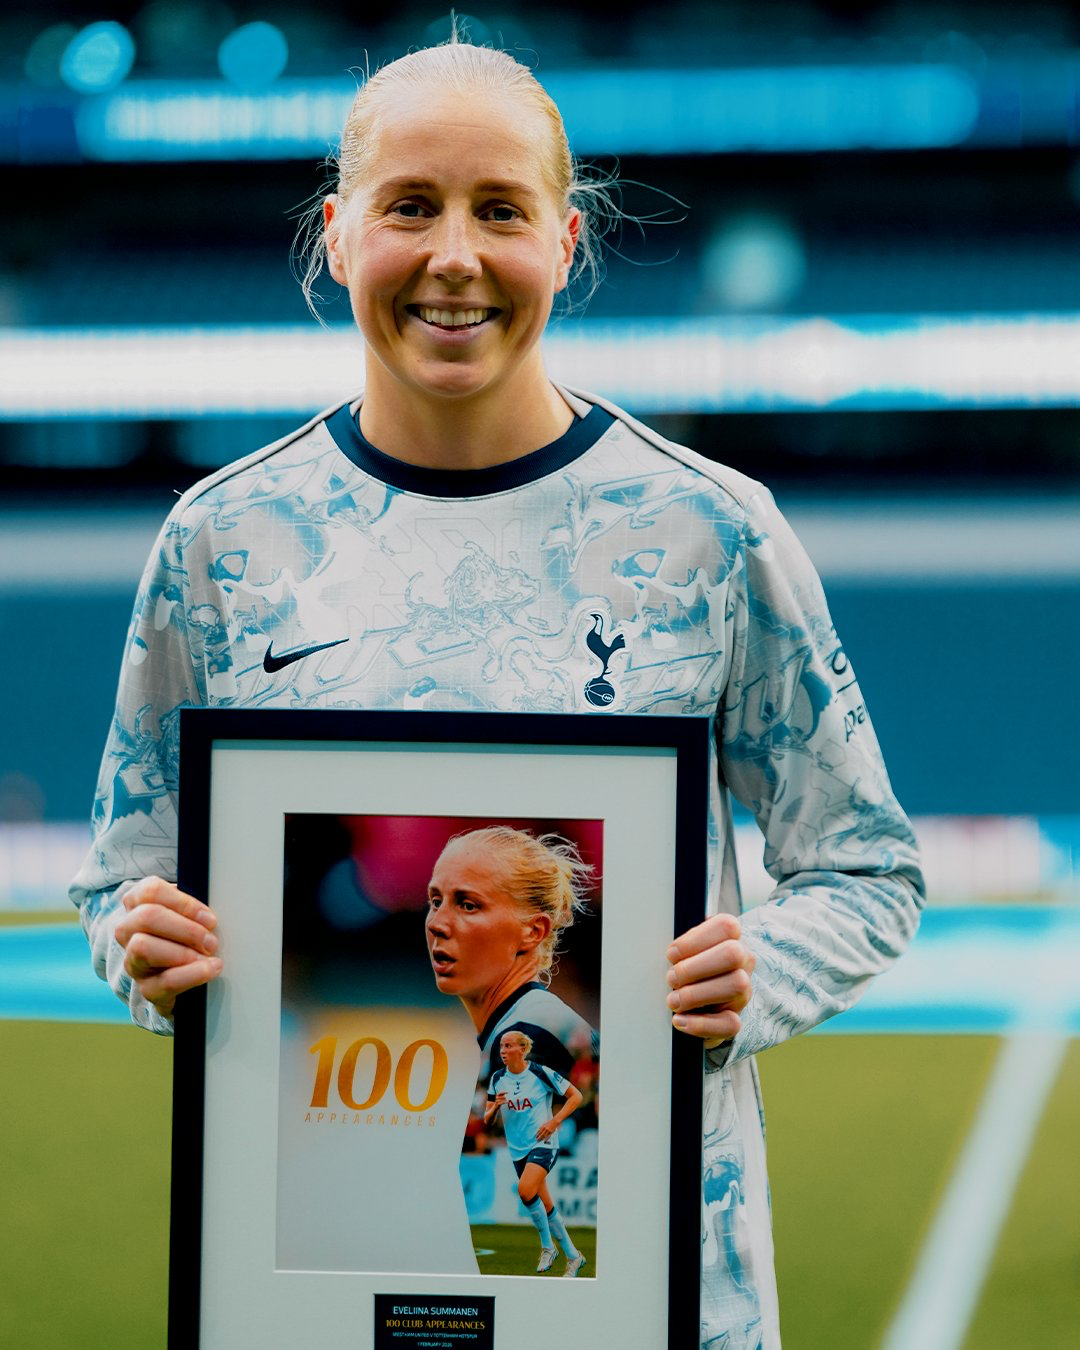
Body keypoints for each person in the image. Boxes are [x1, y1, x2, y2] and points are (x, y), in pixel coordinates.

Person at [69, 31, 923, 1349]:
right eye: (410, 206)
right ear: (339, 235)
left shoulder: (711, 530)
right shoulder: (220, 544)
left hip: (663, 1296)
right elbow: (121, 879)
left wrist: (761, 973)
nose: (455, 256)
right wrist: (146, 952)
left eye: (502, 210)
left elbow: (869, 869)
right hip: (320, 1288)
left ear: (566, 244)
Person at [425, 826, 598, 1080]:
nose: (436, 923)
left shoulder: (528, 1043)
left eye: (468, 906)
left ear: (533, 931)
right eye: (436, 902)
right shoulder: (524, 1028)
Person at [484, 1029, 585, 1276]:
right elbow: (487, 1119)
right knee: (546, 1204)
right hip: (518, 1150)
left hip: (544, 1143)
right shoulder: (497, 1078)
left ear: (522, 1049)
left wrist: (554, 1121)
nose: (503, 1051)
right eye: (501, 1046)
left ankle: (547, 1247)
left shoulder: (540, 1073)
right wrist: (495, 1108)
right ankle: (574, 1256)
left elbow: (576, 1096)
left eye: (509, 1046)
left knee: (525, 1190)